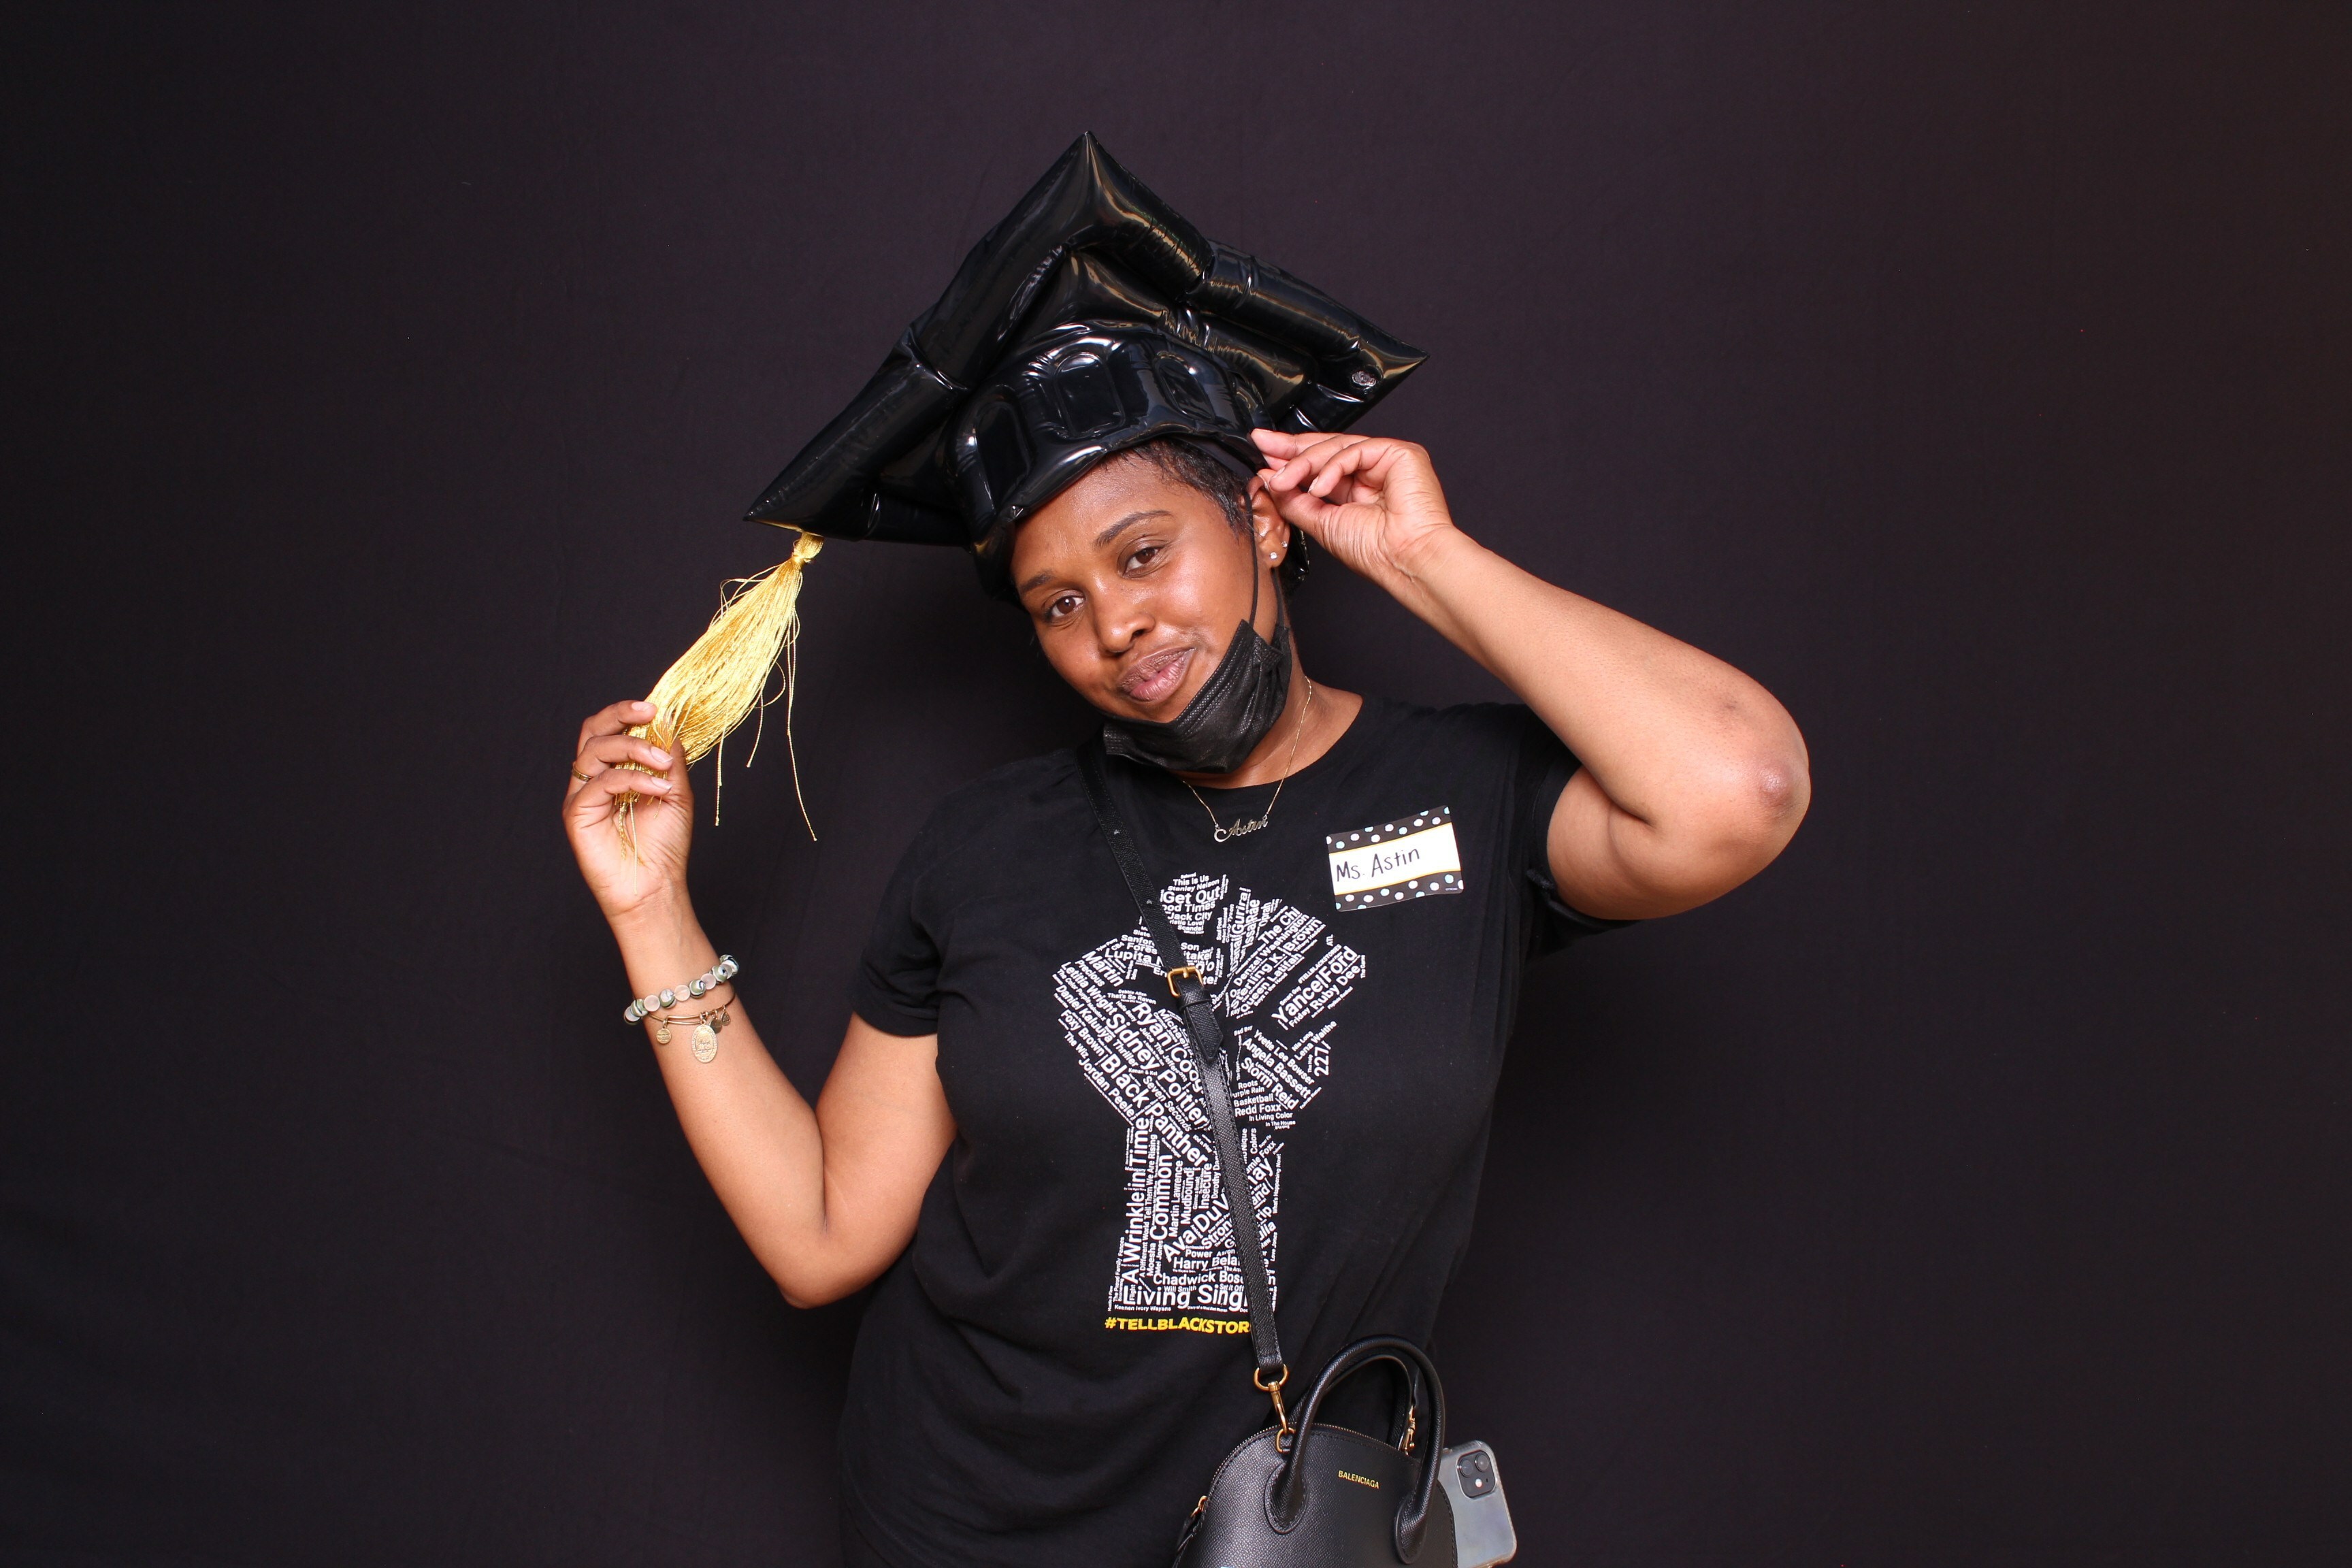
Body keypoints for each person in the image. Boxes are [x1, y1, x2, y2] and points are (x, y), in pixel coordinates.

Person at [561, 138, 1809, 1567]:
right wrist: (651, 909)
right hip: (959, 1526)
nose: (1114, 626)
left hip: (1282, 1543)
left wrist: (1424, 558)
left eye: (1145, 553)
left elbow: (1742, 787)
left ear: (1263, 521)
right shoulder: (982, 849)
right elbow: (822, 1235)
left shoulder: (1466, 798)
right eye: (1056, 603)